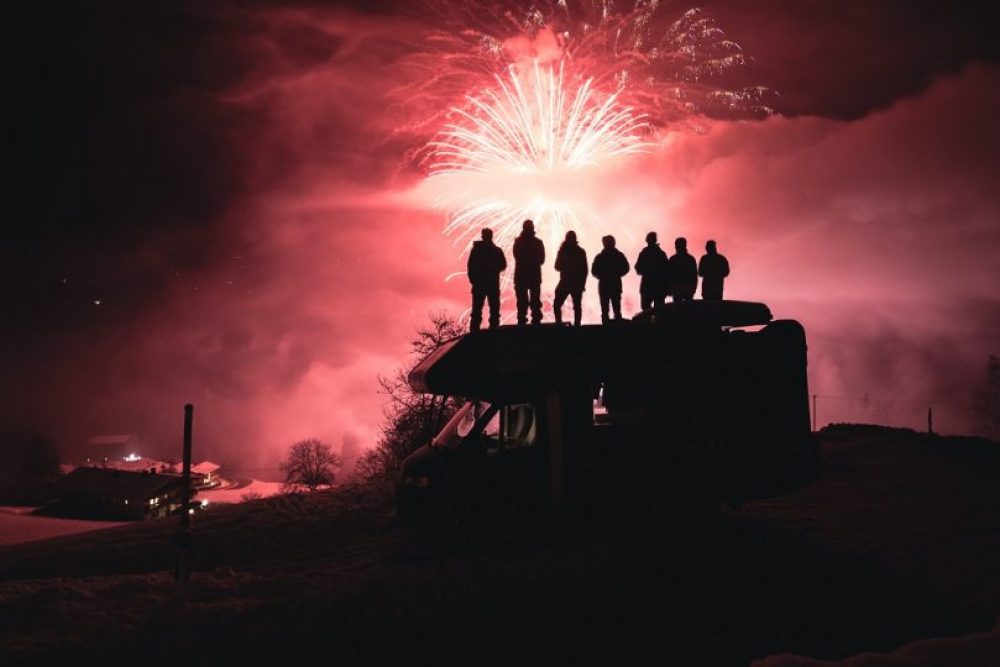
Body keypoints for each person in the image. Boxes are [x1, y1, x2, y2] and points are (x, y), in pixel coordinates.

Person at [466, 228, 507, 331]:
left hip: (481, 284)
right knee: (492, 309)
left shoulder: (477, 250)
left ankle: (475, 331)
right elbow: (503, 265)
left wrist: (474, 279)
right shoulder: (496, 251)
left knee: (479, 310)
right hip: (490, 284)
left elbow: (470, 266)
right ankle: (493, 330)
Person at [512, 219, 545, 325]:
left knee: (522, 300)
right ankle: (535, 319)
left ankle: (522, 319)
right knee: (534, 300)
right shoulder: (538, 242)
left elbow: (517, 256)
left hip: (521, 275)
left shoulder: (518, 242)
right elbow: (542, 260)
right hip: (534, 275)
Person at [591, 235, 630, 323]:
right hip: (615, 285)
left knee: (605, 311)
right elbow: (626, 268)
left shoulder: (600, 257)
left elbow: (594, 271)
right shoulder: (619, 255)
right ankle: (617, 331)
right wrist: (617, 274)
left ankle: (606, 330)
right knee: (617, 309)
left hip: (604, 286)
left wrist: (601, 276)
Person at [553, 231, 588, 326]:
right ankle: (577, 325)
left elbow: (557, 266)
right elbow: (585, 270)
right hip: (577, 284)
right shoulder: (581, 252)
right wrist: (582, 284)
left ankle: (558, 323)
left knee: (557, 304)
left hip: (565, 282)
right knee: (577, 306)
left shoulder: (563, 251)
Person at [634, 231, 669, 311]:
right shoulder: (660, 254)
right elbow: (667, 269)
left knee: (646, 308)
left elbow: (638, 268)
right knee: (658, 308)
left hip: (648, 284)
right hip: (658, 285)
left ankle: (650, 322)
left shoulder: (644, 253)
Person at [668, 237, 697, 302]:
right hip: (684, 289)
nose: (676, 247)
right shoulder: (690, 259)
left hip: (680, 289)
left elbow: (668, 275)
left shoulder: (673, 259)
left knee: (679, 309)